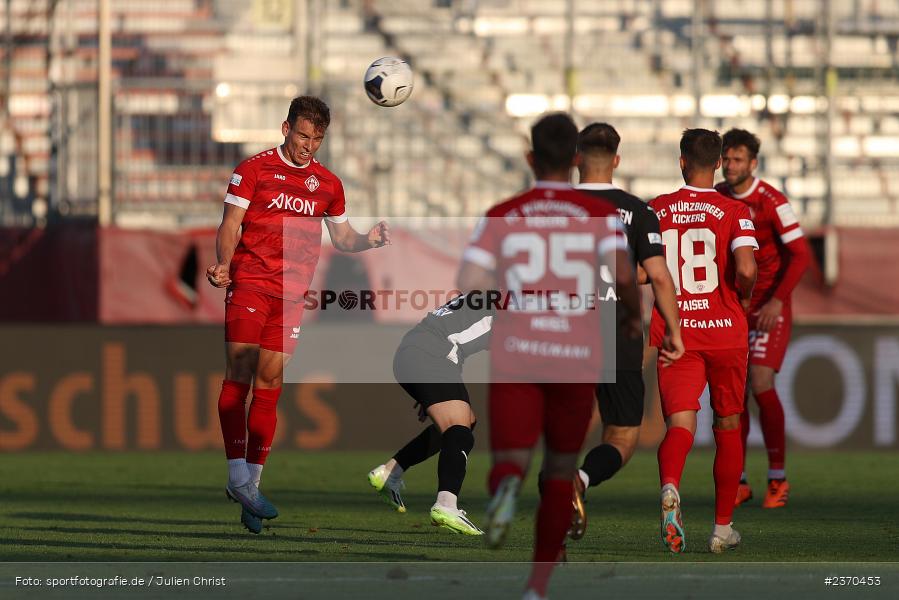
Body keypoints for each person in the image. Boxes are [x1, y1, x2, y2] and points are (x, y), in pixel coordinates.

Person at [457, 112, 645, 600]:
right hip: (574, 355)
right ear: (576, 160)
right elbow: (624, 278)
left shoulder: (503, 213)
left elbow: (469, 284)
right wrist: (628, 315)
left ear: (530, 158)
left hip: (518, 353)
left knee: (511, 457)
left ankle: (504, 487)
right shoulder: (601, 217)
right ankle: (538, 587)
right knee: (561, 470)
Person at [206, 96, 390, 534]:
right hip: (250, 282)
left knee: (270, 383)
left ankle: (251, 487)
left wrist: (369, 239)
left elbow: (343, 238)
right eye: (303, 135)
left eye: (318, 139)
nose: (309, 145)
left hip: (291, 297)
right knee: (241, 370)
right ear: (285, 128)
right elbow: (230, 224)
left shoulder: (328, 184)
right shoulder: (253, 170)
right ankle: (237, 478)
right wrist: (225, 264)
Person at [568, 123, 684, 540]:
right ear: (616, 161)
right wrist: (673, 330)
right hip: (617, 333)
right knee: (622, 435)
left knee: (558, 428)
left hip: (558, 333)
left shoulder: (549, 208)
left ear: (577, 159)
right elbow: (659, 276)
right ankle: (580, 480)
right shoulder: (637, 211)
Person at [649, 129, 758, 554]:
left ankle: (671, 486)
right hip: (725, 330)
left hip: (677, 332)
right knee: (728, 423)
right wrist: (742, 298)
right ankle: (721, 528)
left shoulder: (655, 209)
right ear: (717, 164)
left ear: (680, 161)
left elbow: (641, 272)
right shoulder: (735, 209)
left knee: (681, 423)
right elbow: (746, 268)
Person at [716, 128, 811, 509]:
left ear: (753, 164)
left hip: (771, 304)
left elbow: (801, 254)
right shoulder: (718, 198)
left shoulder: (772, 200)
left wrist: (776, 301)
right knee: (733, 394)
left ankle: (777, 478)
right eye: (726, 159)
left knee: (760, 382)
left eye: (738, 159)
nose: (730, 165)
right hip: (735, 306)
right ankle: (739, 481)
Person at [367, 294, 492, 535]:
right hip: (431, 356)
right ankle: (446, 505)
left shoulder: (490, 291)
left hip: (415, 352)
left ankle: (390, 472)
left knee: (466, 422)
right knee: (460, 431)